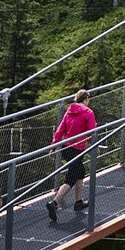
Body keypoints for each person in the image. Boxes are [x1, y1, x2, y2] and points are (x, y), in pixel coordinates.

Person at [47, 89, 96, 221]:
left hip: (66, 147)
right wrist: (95, 143)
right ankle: (54, 203)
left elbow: (60, 130)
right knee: (71, 178)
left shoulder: (69, 111)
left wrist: (53, 146)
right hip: (78, 149)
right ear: (85, 99)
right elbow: (92, 133)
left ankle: (78, 202)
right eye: (88, 99)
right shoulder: (88, 113)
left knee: (80, 172)